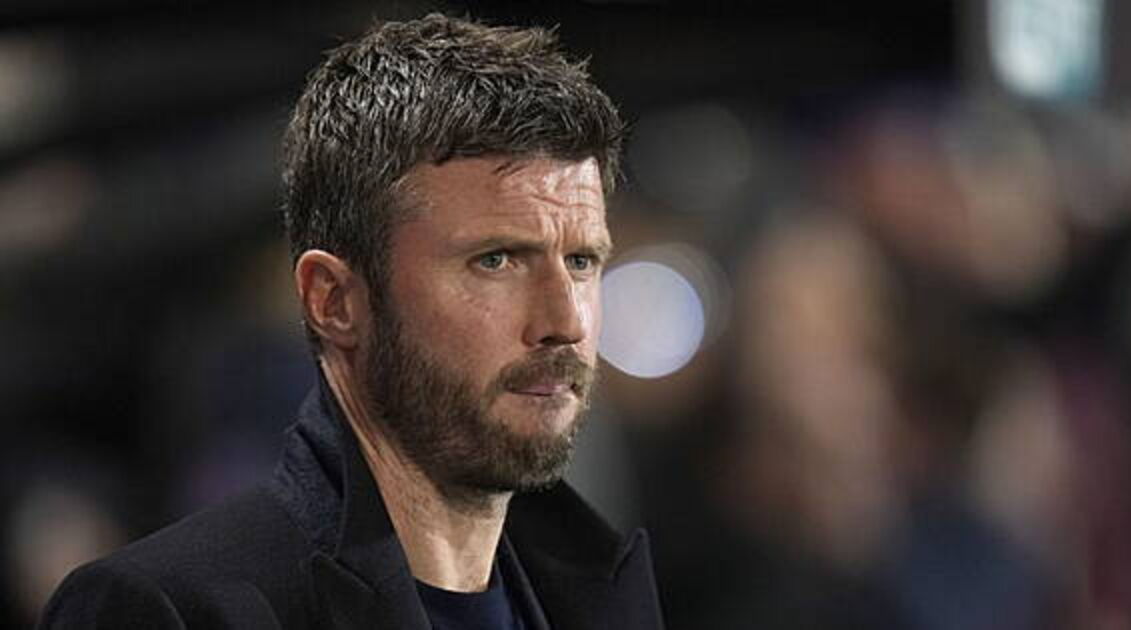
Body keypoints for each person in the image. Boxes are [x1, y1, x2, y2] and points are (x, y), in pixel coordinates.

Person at [38, 14, 664, 629]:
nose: (565, 321)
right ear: (334, 300)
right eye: (495, 260)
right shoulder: (165, 609)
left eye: (581, 261)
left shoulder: (605, 593)